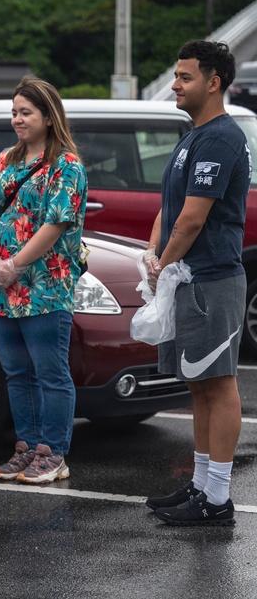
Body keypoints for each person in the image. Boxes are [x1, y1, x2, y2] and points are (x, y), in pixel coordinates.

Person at [144, 41, 250, 526]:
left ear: (214, 82)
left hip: (212, 279)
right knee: (199, 383)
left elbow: (192, 220)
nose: (175, 85)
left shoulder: (220, 138)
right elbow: (170, 208)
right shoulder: (195, 136)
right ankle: (202, 484)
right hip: (189, 278)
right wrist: (154, 252)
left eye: (185, 77)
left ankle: (218, 499)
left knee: (219, 383)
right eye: (176, 75)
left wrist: (163, 265)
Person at [0, 77, 87, 485]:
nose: (17, 119)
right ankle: (26, 447)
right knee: (16, 373)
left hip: (45, 288)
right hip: (1, 288)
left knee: (50, 373)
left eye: (26, 112)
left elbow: (55, 225)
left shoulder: (67, 166)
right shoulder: (5, 160)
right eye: (14, 112)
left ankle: (53, 453)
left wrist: (16, 265)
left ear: (49, 116)